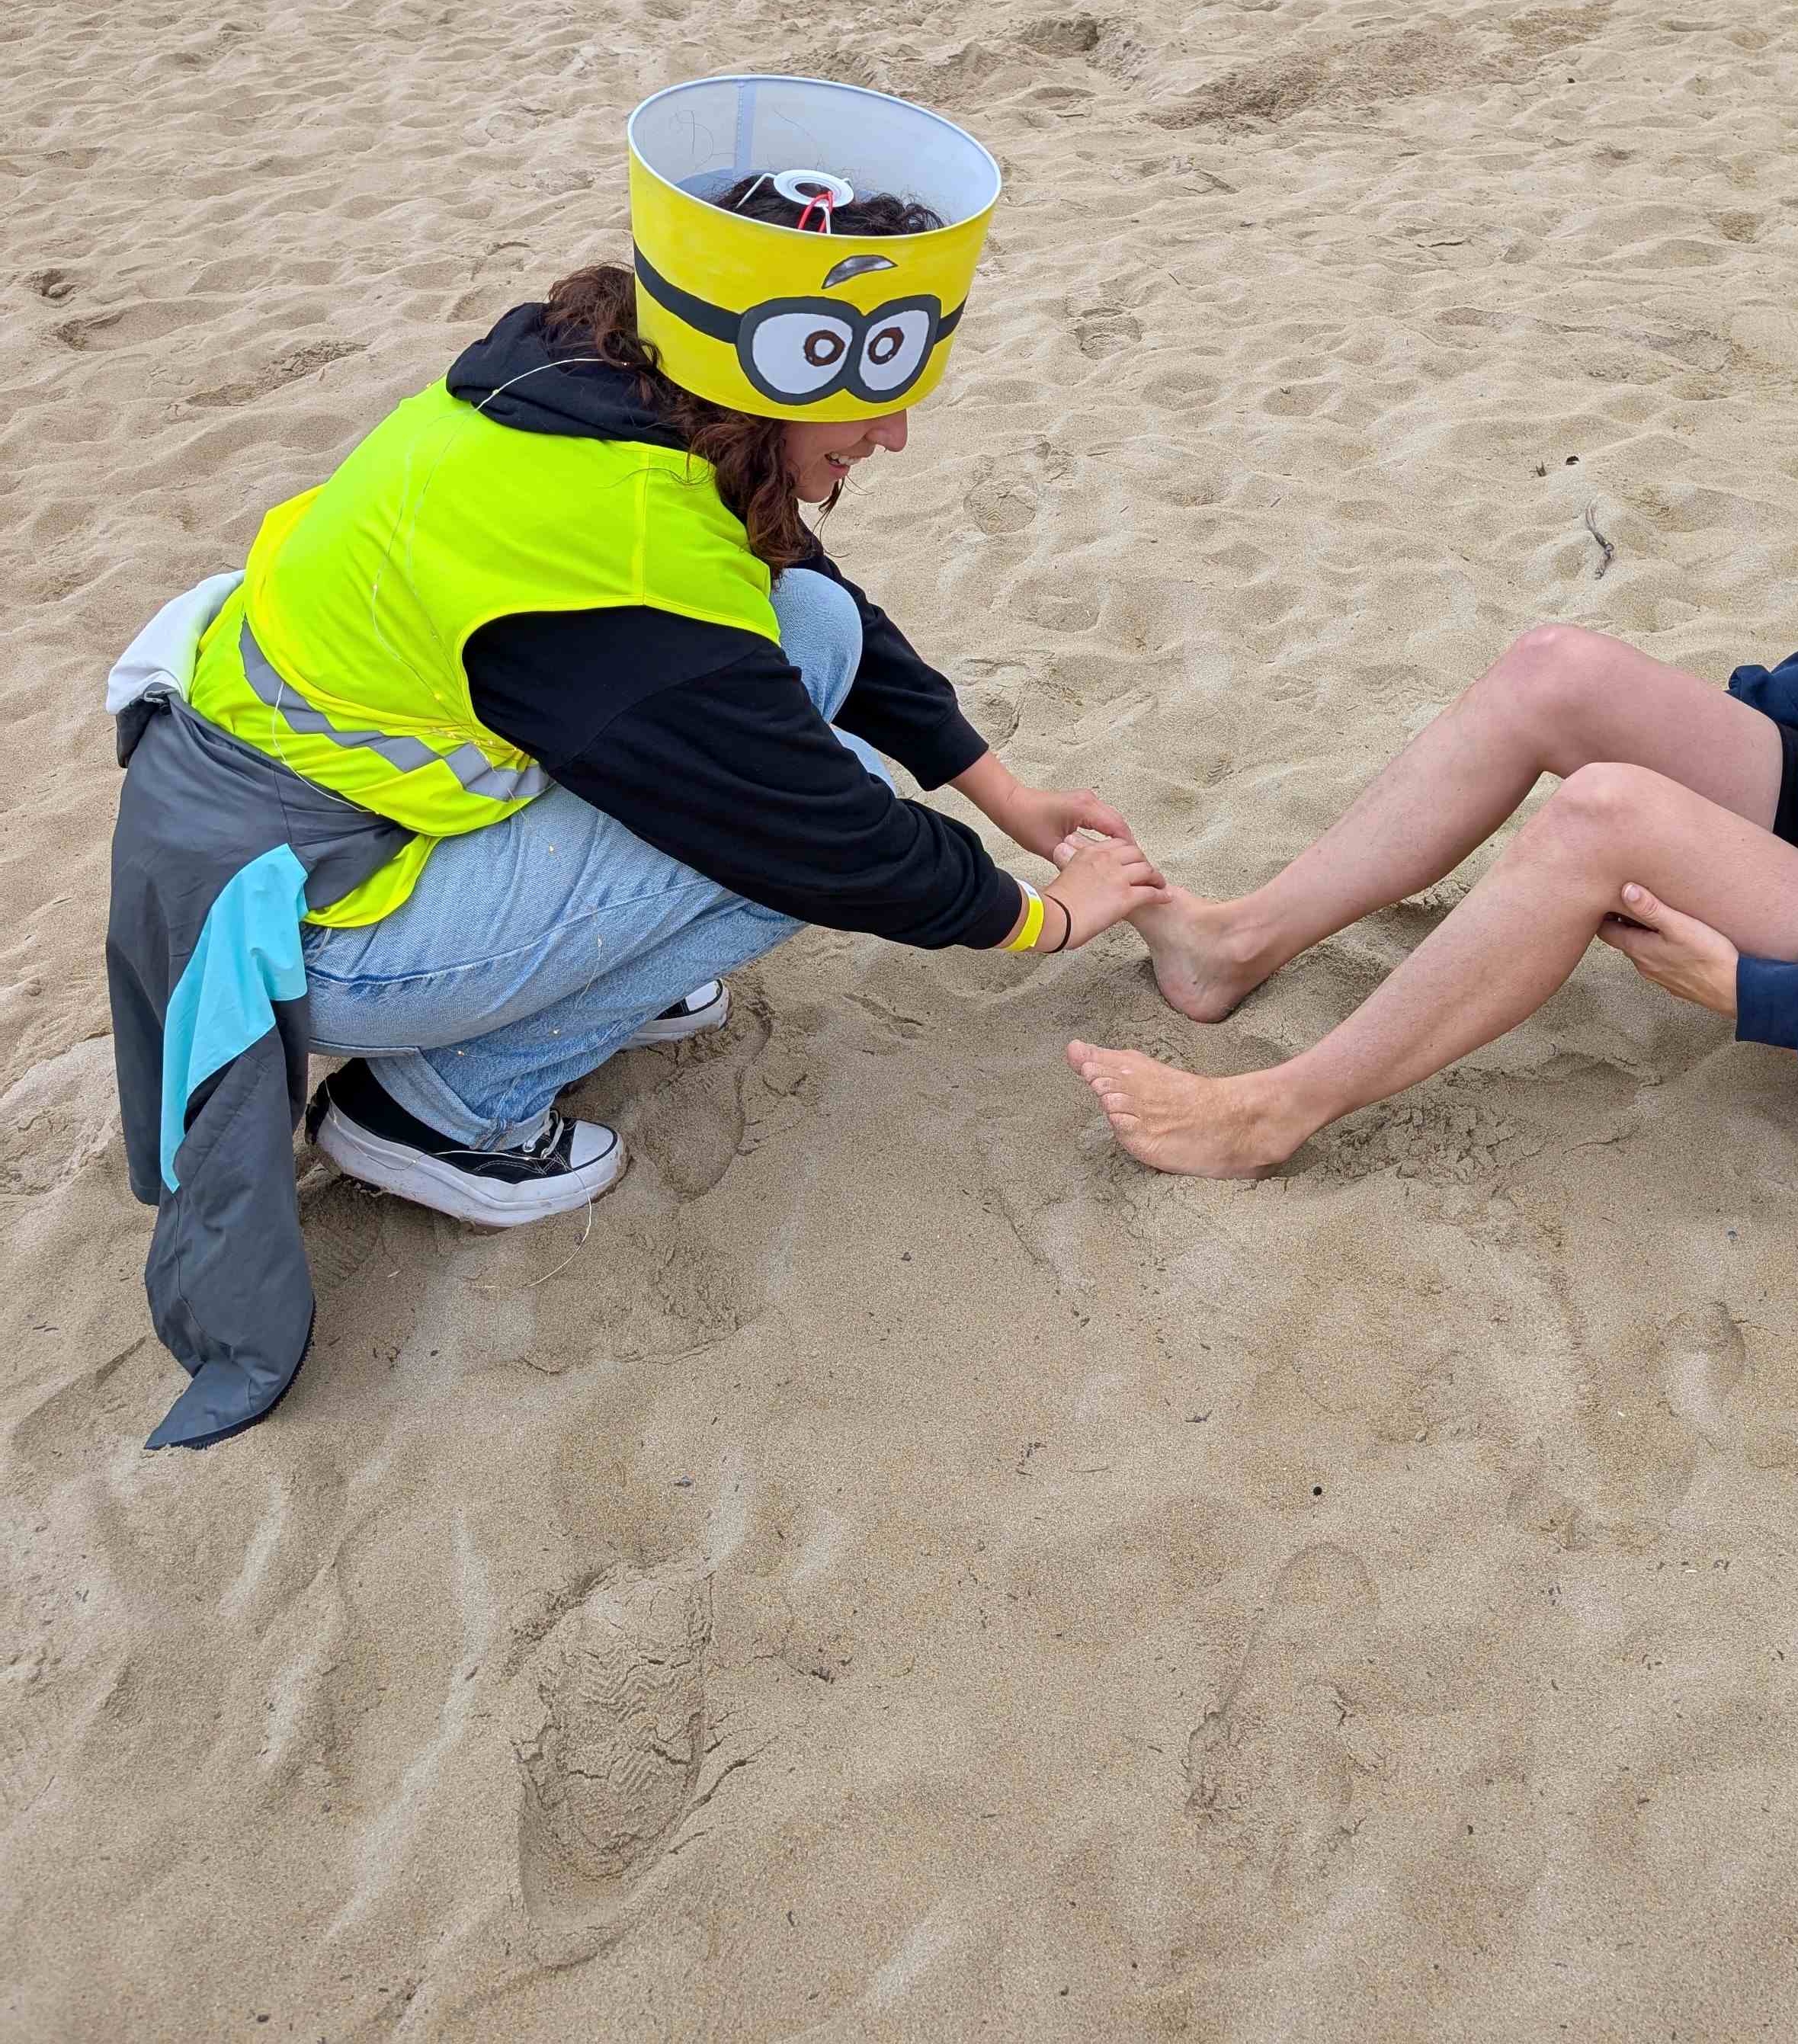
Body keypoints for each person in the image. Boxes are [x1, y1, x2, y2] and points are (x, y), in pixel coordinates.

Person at [107, 74, 1162, 1446]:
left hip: (310, 819)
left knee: (810, 632)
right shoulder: (620, 560)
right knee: (794, 843)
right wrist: (1043, 918)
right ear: (771, 378)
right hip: (305, 928)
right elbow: (826, 837)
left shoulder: (608, 382)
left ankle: (570, 978)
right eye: (869, 401)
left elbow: (796, 578)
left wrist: (1003, 793)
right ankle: (444, 1111)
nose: (894, 433)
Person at [1068, 170, 1798, 1177]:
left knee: (1606, 817)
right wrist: (1703, 752)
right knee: (1558, 670)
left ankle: (1272, 1113)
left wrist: (1757, 994)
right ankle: (1237, 944)